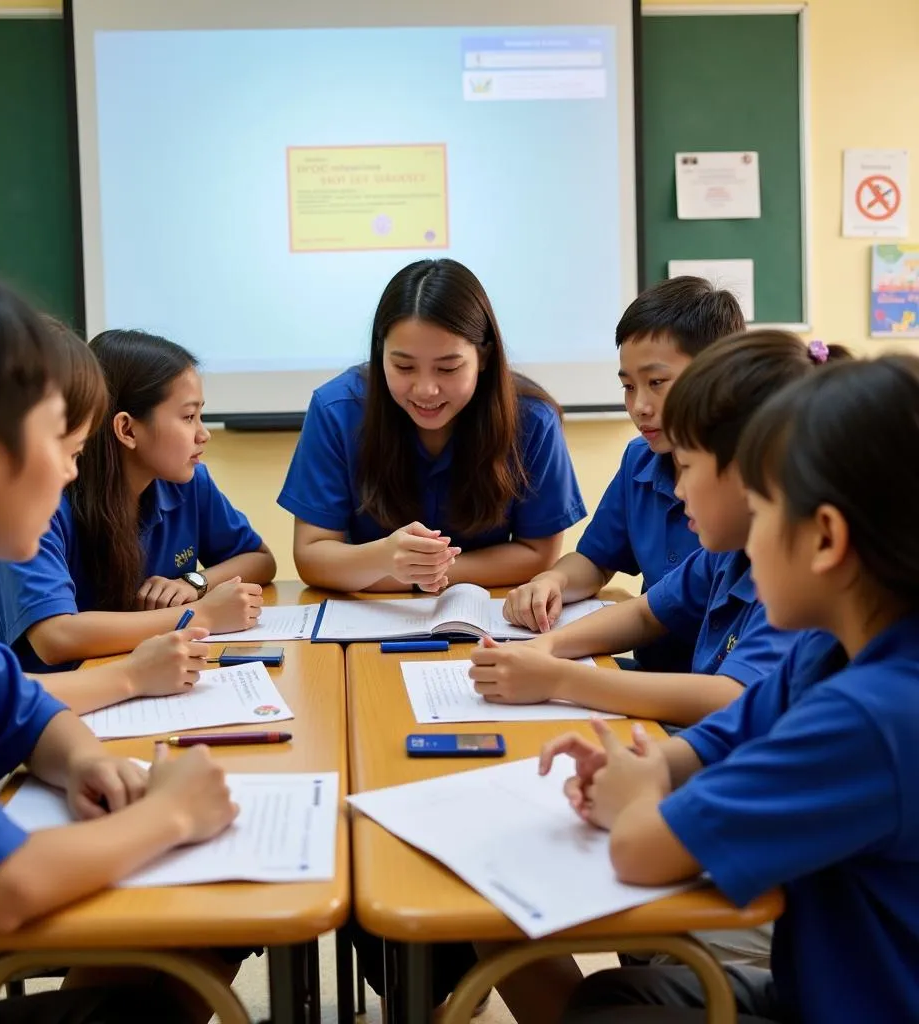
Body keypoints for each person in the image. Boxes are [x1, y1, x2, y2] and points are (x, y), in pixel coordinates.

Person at [0, 258, 239, 1023]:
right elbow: (8, 888)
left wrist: (86, 760)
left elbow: (23, 708)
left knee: (170, 966)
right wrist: (173, 813)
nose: (74, 473)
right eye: (67, 446)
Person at [547, 351, 919, 1024]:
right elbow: (727, 734)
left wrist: (635, 794)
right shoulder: (829, 649)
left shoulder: (873, 716)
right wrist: (654, 762)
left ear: (826, 538)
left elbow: (640, 850)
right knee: (615, 997)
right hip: (813, 985)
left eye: (762, 511)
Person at [278, 258, 585, 592]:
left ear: (483, 356)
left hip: (486, 619)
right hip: (368, 619)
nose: (426, 390)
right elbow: (312, 555)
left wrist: (421, 573)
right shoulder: (336, 410)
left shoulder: (533, 420)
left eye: (448, 368)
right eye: (404, 367)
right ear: (381, 353)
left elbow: (538, 554)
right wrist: (384, 558)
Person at [0, 329, 276, 673]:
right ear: (127, 430)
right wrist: (202, 614)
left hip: (140, 681)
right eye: (187, 417)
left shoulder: (187, 482)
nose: (203, 433)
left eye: (200, 415)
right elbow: (55, 637)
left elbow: (259, 559)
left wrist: (194, 583)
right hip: (53, 705)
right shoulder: (37, 503)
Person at [504, 276, 744, 673]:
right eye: (628, 387)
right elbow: (596, 560)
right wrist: (553, 582)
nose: (640, 406)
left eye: (656, 383)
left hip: (707, 691)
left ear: (717, 376)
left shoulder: (740, 497)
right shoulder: (640, 459)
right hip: (653, 673)